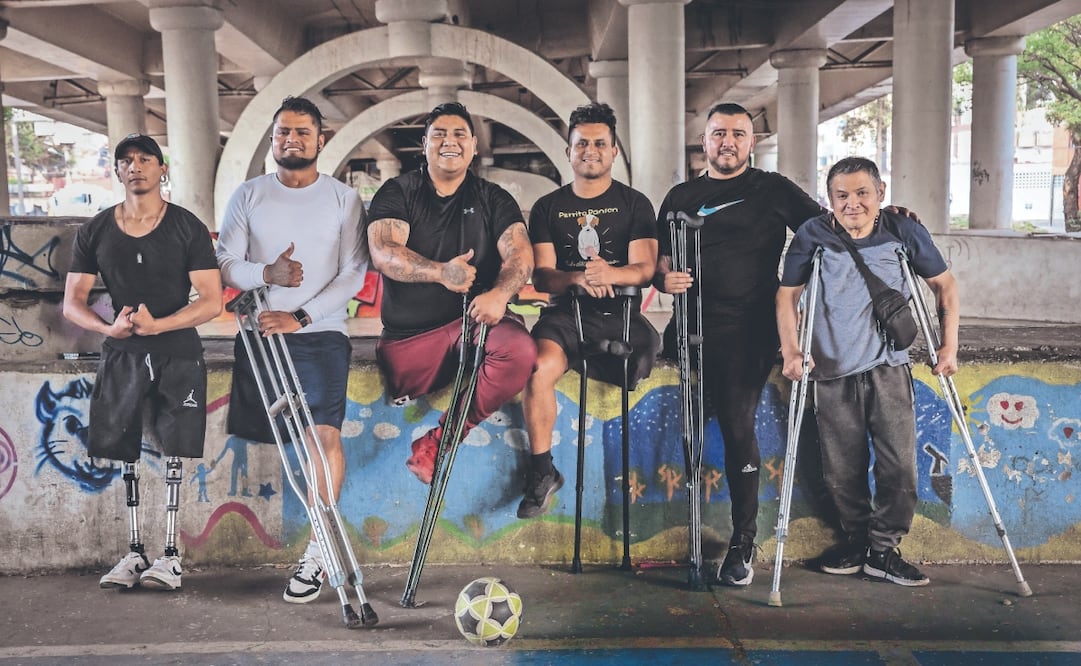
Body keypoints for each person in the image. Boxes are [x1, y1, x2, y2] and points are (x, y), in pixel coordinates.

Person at [652, 103, 825, 587]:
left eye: (738, 134)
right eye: (718, 133)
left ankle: (743, 541)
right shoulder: (682, 195)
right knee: (686, 431)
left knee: (735, 422)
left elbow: (827, 228)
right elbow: (659, 264)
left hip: (750, 330)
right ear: (704, 141)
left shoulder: (771, 189)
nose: (728, 141)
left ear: (752, 142)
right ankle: (684, 534)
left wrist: (883, 213)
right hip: (689, 328)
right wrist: (666, 278)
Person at [777, 156, 959, 587]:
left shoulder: (902, 231)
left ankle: (884, 549)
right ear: (830, 198)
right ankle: (858, 541)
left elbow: (943, 284)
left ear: (881, 192)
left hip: (888, 365)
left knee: (899, 466)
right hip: (830, 368)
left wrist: (949, 344)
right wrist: (791, 350)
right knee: (841, 469)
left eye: (862, 193)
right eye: (842, 195)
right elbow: (787, 296)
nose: (852, 203)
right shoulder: (813, 235)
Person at [216, 96, 369, 604]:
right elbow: (225, 261)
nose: (292, 139)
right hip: (262, 337)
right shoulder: (249, 194)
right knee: (290, 445)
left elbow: (354, 273)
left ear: (320, 139)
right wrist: (268, 275)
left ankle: (319, 550)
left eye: (303, 132)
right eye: (283, 131)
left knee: (322, 436)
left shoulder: (344, 199)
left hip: (322, 334)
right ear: (274, 137)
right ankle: (320, 543)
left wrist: (300, 315)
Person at [63, 133, 223, 591]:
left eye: (145, 159)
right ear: (117, 172)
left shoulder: (186, 226)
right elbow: (73, 302)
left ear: (161, 169)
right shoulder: (95, 229)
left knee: (176, 446)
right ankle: (134, 552)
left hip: (177, 351)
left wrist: (162, 324)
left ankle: (171, 557)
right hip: (122, 350)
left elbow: (212, 301)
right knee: (121, 447)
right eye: (126, 161)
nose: (135, 167)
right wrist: (106, 328)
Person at [366, 101, 536, 485]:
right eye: (439, 134)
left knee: (521, 349)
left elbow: (521, 253)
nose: (450, 141)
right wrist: (442, 272)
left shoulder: (494, 198)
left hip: (473, 327)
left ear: (474, 146)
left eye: (460, 134)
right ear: (424, 144)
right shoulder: (398, 192)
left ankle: (439, 443)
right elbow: (384, 252)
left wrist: (500, 295)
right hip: (411, 343)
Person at [518, 102, 659, 519]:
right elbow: (543, 277)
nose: (590, 150)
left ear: (614, 151)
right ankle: (543, 470)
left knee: (642, 349)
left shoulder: (635, 204)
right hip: (564, 315)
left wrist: (610, 274)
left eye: (600, 143)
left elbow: (646, 269)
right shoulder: (547, 207)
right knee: (537, 368)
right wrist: (579, 279)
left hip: (623, 313)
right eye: (582, 143)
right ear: (568, 151)